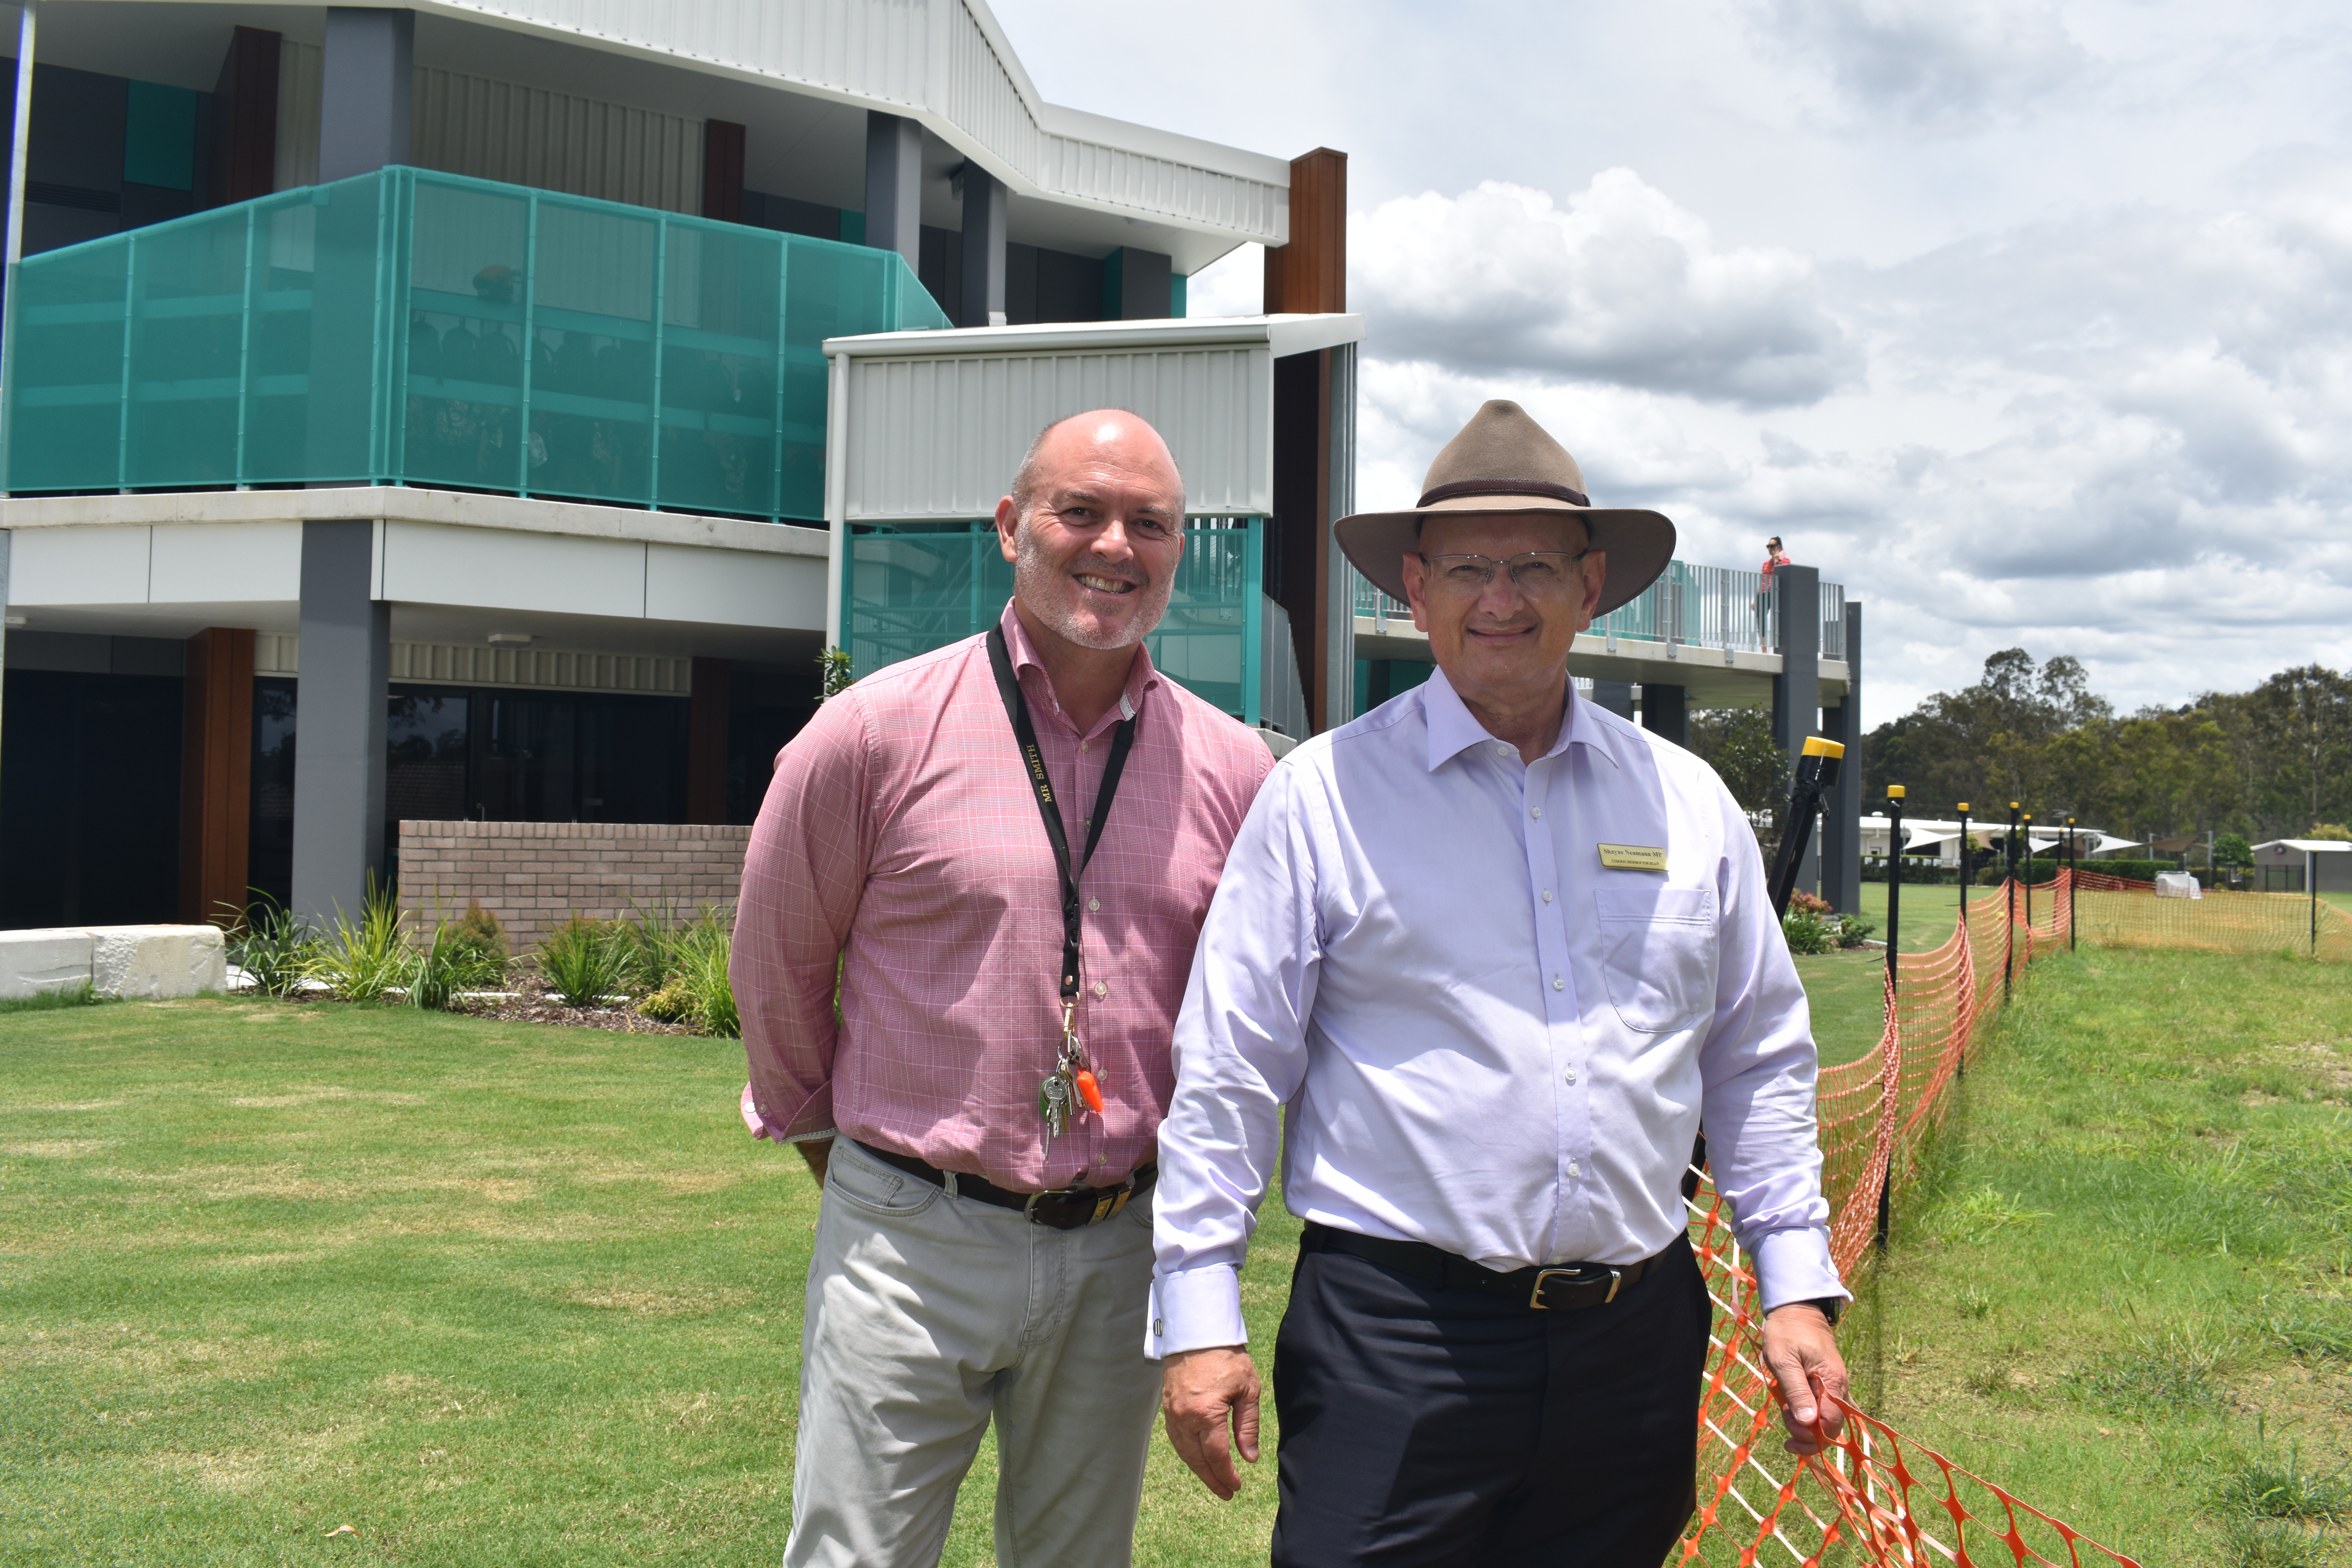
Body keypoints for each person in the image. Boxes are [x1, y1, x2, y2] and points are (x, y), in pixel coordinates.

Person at [1150, 400, 1850, 1568]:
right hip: (1395, 1335)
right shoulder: (1321, 798)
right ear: (1413, 591)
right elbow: (1228, 1071)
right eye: (1468, 567)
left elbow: (1754, 1056)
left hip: (1634, 1338)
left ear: (1590, 586)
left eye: (1531, 566)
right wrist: (1197, 1315)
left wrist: (1790, 1284)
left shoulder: (1687, 805)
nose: (1500, 599)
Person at [732, 408, 1275, 1568]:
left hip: (1118, 1240)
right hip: (908, 1238)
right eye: (1080, 510)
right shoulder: (871, 733)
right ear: (1009, 525)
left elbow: (1247, 1028)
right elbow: (775, 960)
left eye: (1150, 523)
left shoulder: (1234, 769)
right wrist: (836, 1148)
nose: (1113, 545)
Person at [1757, 535, 1790, 644]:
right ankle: (1764, 646)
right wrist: (1755, 598)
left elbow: (1781, 575)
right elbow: (1763, 580)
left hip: (1777, 592)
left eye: (1772, 546)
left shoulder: (1786, 561)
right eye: (1768, 547)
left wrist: (1777, 561)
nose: (1770, 549)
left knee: (1778, 618)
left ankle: (1779, 643)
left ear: (1778, 547)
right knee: (1761, 616)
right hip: (1765, 592)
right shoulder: (1766, 564)